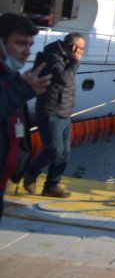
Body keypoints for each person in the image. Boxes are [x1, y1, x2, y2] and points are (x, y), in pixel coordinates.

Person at [0, 13, 51, 220]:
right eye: (21, 43)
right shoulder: (17, 86)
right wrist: (23, 91)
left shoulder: (12, 79)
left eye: (30, 45)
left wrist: (20, 159)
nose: (27, 52)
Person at [22, 32, 85, 198]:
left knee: (64, 153)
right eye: (81, 49)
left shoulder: (66, 58)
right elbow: (65, 78)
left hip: (65, 112)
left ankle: (51, 186)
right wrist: (75, 61)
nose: (82, 53)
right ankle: (31, 172)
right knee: (54, 150)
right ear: (73, 48)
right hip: (50, 111)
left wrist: (72, 62)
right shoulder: (51, 57)